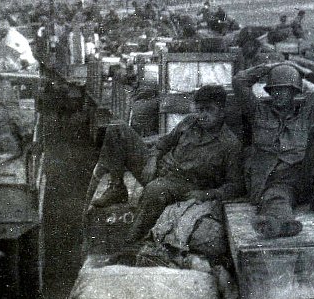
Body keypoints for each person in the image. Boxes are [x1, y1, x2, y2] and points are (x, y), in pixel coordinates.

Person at [86, 84, 244, 242]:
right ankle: (117, 188)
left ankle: (134, 240)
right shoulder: (190, 122)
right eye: (200, 109)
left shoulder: (230, 145)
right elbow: (164, 142)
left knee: (155, 189)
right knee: (117, 128)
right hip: (160, 169)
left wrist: (206, 194)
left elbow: (236, 186)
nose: (202, 115)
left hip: (185, 186)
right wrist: (152, 160)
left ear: (222, 111)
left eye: (209, 110)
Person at [232, 61, 314, 239]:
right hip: (273, 180)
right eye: (274, 89)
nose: (278, 94)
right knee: (277, 198)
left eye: (284, 89)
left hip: (303, 177)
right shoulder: (257, 111)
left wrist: (305, 72)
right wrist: (268, 67)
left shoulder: (308, 114)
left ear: (294, 91)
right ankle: (281, 224)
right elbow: (239, 81)